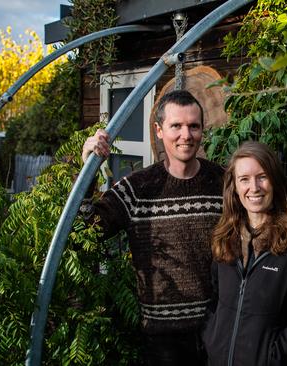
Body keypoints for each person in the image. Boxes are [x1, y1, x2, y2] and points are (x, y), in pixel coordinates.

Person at [80, 90, 224, 365]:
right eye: (176, 126)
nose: (186, 135)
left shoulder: (222, 182)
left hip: (218, 328)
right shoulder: (138, 188)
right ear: (159, 130)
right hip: (163, 341)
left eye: (193, 126)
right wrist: (87, 171)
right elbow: (87, 230)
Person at [203, 141, 287, 366]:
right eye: (244, 179)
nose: (254, 187)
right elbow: (214, 297)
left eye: (262, 176)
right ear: (235, 187)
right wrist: (212, 338)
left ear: (275, 181)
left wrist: (273, 356)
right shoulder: (225, 238)